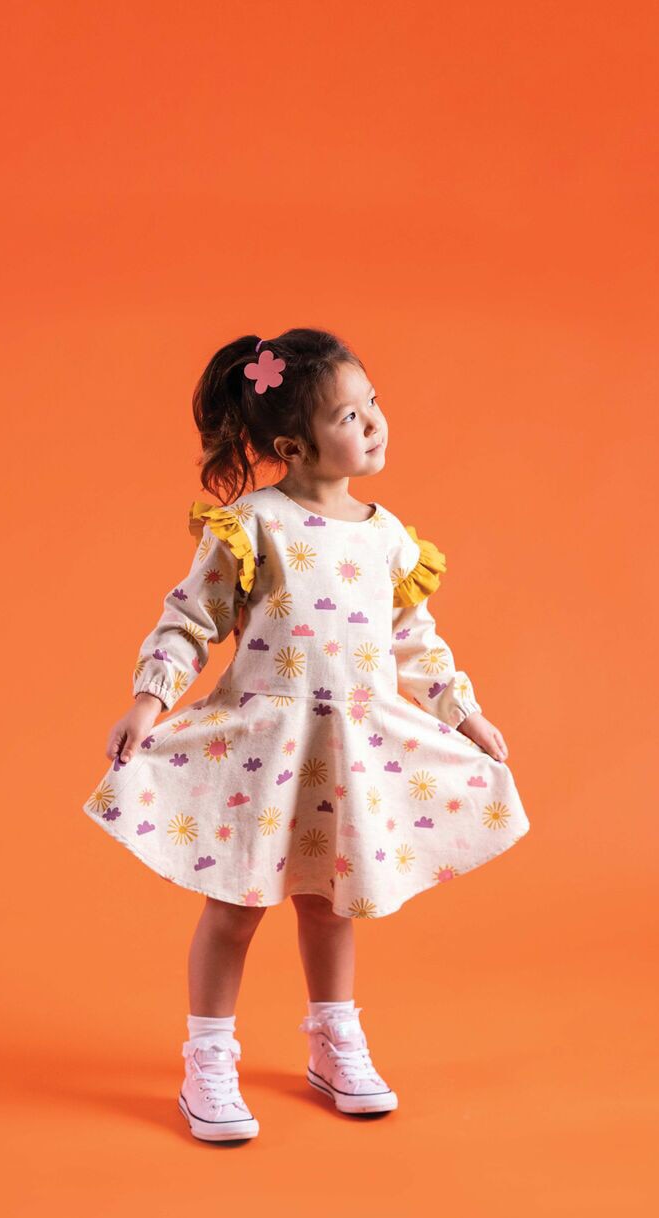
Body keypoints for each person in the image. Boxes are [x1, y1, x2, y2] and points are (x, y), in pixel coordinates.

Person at [83, 328, 531, 1143]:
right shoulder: (254, 525)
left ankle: (334, 1040)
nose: (374, 422)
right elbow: (190, 619)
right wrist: (149, 701)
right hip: (265, 747)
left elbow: (415, 641)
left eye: (373, 403)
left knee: (331, 904)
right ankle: (208, 1058)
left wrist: (464, 713)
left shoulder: (388, 538)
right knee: (235, 906)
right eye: (349, 415)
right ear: (292, 446)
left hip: (348, 753)